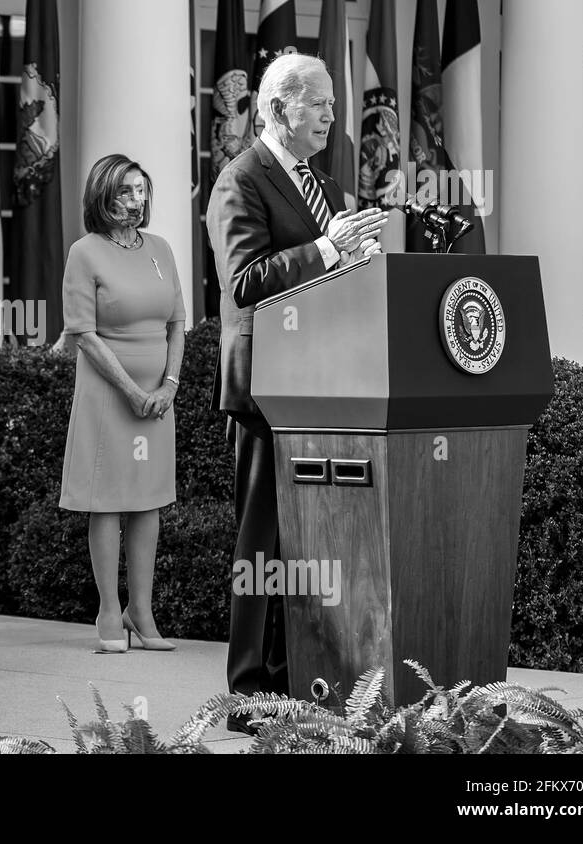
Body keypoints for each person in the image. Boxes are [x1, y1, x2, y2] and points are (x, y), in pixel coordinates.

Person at [205, 53, 387, 733]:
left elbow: (333, 280)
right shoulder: (239, 180)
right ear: (280, 106)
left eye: (333, 105)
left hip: (325, 387)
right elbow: (246, 280)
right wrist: (326, 250)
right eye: (320, 105)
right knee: (262, 549)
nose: (333, 117)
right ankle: (249, 696)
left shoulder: (327, 187)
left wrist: (361, 264)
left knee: (306, 548)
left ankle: (294, 686)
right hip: (264, 391)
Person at [59, 154, 185, 654]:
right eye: (125, 192)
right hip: (109, 392)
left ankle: (142, 612)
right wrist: (132, 392)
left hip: (158, 393)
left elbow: (177, 322)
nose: (136, 201)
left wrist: (169, 384)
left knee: (149, 499)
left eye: (141, 191)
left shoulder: (160, 248)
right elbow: (83, 334)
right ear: (102, 197)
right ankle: (110, 611)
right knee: (108, 501)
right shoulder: (84, 252)